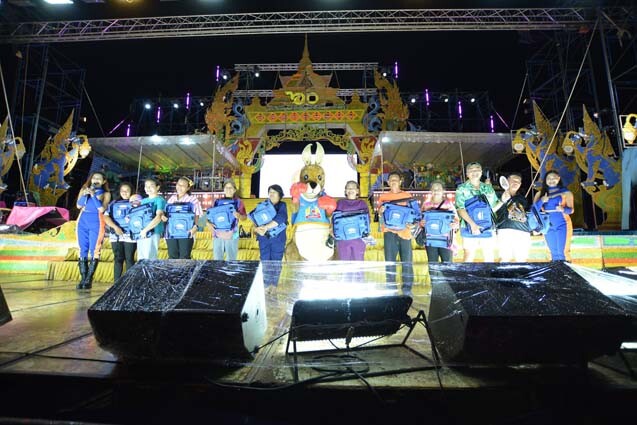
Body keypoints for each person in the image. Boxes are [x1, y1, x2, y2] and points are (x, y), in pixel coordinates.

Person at [455, 162, 504, 262]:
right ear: (467, 174)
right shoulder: (461, 188)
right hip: (468, 226)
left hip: (487, 226)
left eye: (477, 169)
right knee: (468, 254)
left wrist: (503, 200)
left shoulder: (488, 188)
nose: (474, 172)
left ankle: (489, 273)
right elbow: (460, 209)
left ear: (481, 172)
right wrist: (473, 225)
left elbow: (493, 209)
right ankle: (467, 273)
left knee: (489, 254)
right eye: (471, 170)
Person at [377, 171, 417, 290]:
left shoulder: (408, 195)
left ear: (400, 182)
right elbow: (380, 216)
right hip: (389, 232)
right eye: (391, 180)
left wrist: (412, 224)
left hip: (405, 232)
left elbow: (415, 214)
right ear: (388, 182)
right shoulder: (383, 197)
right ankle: (391, 288)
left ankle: (407, 289)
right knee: (390, 261)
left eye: (396, 179)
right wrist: (380, 212)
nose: (393, 181)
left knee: (407, 262)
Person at [76, 171, 111, 289]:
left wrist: (93, 195)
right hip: (83, 220)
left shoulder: (106, 194)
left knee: (94, 249)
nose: (96, 180)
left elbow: (101, 209)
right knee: (82, 248)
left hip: (96, 221)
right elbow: (79, 206)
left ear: (104, 181)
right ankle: (83, 278)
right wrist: (85, 194)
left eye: (99, 178)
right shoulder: (84, 190)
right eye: (94, 178)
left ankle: (89, 279)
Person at [533, 170, 574, 261]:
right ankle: (555, 269)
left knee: (563, 251)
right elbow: (534, 210)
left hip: (563, 223)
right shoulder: (540, 193)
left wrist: (563, 209)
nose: (551, 180)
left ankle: (565, 269)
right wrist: (541, 201)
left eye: (554, 178)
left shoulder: (566, 192)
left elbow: (571, 210)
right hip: (547, 225)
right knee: (552, 251)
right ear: (545, 180)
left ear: (558, 179)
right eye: (549, 178)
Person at [253, 184, 288, 286]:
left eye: (274, 192)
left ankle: (274, 286)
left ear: (279, 194)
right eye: (270, 192)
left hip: (277, 240)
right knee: (265, 262)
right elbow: (255, 219)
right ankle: (266, 286)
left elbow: (281, 218)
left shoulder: (282, 205)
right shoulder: (262, 205)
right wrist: (256, 229)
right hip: (264, 239)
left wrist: (266, 227)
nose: (271, 194)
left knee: (275, 263)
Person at [103, 182, 137, 281]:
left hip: (130, 234)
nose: (124, 192)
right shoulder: (113, 203)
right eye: (122, 190)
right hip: (116, 234)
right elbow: (106, 217)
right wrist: (115, 227)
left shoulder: (136, 202)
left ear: (131, 191)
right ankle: (116, 283)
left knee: (129, 258)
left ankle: (130, 283)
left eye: (127, 190)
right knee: (118, 259)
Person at [163, 177, 203, 259]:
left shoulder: (193, 199)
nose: (180, 187)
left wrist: (195, 227)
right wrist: (163, 217)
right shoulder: (171, 199)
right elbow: (166, 214)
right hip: (171, 232)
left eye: (183, 185)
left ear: (188, 188)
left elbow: (198, 215)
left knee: (184, 257)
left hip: (186, 232)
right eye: (178, 184)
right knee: (172, 256)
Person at [207, 179, 247, 261]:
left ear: (235, 190)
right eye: (226, 187)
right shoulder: (217, 202)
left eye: (231, 187)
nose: (228, 189)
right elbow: (206, 216)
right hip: (217, 234)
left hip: (232, 234)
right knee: (217, 260)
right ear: (224, 189)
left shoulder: (238, 202)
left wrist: (239, 216)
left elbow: (244, 217)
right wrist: (208, 223)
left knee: (231, 259)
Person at [496, 173, 532, 262]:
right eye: (514, 180)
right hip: (504, 229)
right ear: (506, 181)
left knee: (522, 259)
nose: (516, 183)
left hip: (523, 231)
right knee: (505, 259)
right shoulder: (497, 195)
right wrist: (502, 200)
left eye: (518, 182)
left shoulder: (522, 198)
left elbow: (527, 214)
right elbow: (492, 209)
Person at [421, 180, 459, 263]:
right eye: (434, 189)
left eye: (438, 189)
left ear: (443, 191)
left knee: (447, 265)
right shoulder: (426, 205)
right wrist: (421, 223)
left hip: (446, 239)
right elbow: (420, 220)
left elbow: (456, 220)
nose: (436, 191)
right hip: (430, 239)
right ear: (431, 191)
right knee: (432, 264)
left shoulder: (448, 204)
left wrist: (454, 224)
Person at [333, 180, 370, 261]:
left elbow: (367, 221)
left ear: (357, 191)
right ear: (345, 191)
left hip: (358, 239)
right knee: (345, 264)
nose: (350, 190)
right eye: (348, 188)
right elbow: (335, 221)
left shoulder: (362, 203)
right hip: (343, 240)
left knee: (358, 264)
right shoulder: (340, 203)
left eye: (353, 187)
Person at [137, 178, 167, 260]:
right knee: (141, 257)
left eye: (151, 186)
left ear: (157, 187)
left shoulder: (160, 200)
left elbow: (158, 217)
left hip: (153, 231)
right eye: (146, 186)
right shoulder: (143, 201)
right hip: (142, 231)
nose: (148, 188)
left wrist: (145, 230)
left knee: (150, 257)